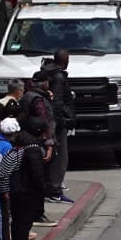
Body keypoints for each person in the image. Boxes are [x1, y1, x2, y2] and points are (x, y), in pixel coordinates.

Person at [8, 117, 49, 240]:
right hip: (27, 191)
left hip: (15, 189)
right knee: (24, 224)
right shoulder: (33, 148)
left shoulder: (19, 144)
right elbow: (37, 173)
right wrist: (43, 189)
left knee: (17, 222)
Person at [20, 70, 58, 227]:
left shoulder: (28, 96)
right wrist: (49, 145)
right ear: (44, 83)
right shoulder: (38, 101)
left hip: (29, 141)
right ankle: (38, 213)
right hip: (39, 144)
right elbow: (45, 123)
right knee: (41, 180)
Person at [43, 50, 76, 204]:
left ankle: (51, 188)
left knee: (55, 156)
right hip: (57, 124)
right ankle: (55, 190)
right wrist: (61, 121)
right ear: (66, 60)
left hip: (52, 122)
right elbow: (57, 103)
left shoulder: (48, 72)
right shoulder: (58, 77)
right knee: (60, 157)